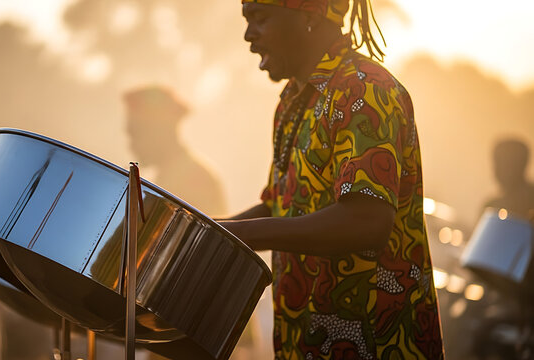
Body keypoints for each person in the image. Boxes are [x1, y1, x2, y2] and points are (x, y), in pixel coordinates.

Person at [218, 0, 444, 358]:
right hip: (305, 342)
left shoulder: (366, 89)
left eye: (259, 19)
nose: (248, 36)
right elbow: (281, 204)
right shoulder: (294, 100)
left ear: (309, 16)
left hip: (374, 345)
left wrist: (241, 236)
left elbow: (365, 221)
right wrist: (202, 233)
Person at [124, 85, 227, 216]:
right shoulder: (168, 176)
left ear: (160, 130)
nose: (131, 144)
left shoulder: (193, 178)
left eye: (135, 133)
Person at [483, 138, 534, 221]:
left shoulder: (493, 208)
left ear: (522, 165)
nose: (497, 170)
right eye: (497, 164)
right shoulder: (491, 206)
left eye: (505, 164)